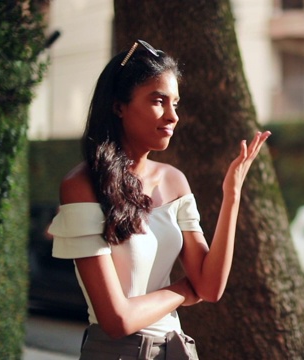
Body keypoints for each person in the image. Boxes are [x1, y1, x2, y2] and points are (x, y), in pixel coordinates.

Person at [47, 39, 271, 359]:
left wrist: (231, 196)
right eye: (158, 101)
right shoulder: (82, 186)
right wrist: (181, 290)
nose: (172, 116)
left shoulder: (173, 180)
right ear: (118, 106)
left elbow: (209, 287)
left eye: (175, 103)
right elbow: (115, 319)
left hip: (177, 349)